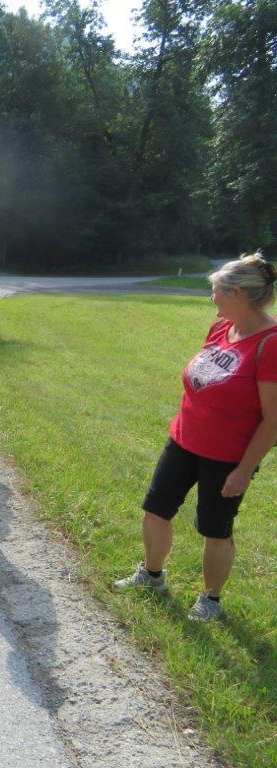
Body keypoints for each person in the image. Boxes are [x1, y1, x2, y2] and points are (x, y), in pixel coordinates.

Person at [114, 254, 277, 622]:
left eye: (215, 290)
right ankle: (152, 576)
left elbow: (273, 420)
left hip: (227, 456)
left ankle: (211, 600)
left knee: (215, 530)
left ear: (237, 293)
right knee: (156, 509)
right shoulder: (221, 326)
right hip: (184, 440)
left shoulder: (271, 344)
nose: (211, 296)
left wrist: (244, 470)